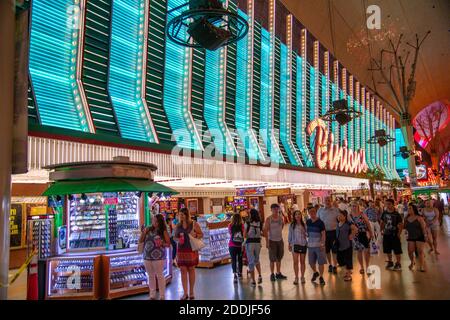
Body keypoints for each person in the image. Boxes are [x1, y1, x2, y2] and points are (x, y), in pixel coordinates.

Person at [174, 207, 204, 300]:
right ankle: (185, 293)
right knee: (183, 270)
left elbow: (201, 234)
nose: (180, 216)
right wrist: (178, 240)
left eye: (182, 215)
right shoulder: (178, 226)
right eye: (180, 214)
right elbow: (174, 238)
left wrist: (195, 235)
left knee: (191, 269)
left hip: (191, 249)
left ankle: (191, 292)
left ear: (186, 215)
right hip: (181, 250)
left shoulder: (194, 224)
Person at [139, 214, 171, 300]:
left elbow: (168, 244)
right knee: (150, 276)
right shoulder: (148, 229)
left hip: (159, 257)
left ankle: (162, 295)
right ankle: (152, 294)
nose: (154, 222)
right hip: (147, 256)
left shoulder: (163, 231)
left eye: (156, 221)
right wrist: (144, 232)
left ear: (160, 222)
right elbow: (141, 240)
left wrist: (162, 244)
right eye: (153, 220)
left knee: (160, 276)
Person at [263, 203, 287, 281]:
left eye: (277, 209)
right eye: (274, 209)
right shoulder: (268, 219)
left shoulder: (281, 218)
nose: (276, 210)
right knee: (272, 259)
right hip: (272, 241)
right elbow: (265, 231)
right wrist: (267, 242)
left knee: (279, 258)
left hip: (280, 240)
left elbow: (282, 226)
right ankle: (272, 274)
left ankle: (278, 273)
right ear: (271, 210)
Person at [349, 201, 373, 275]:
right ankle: (362, 267)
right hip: (355, 235)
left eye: (355, 206)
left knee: (366, 251)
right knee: (359, 251)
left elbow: (367, 223)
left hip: (364, 234)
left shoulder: (362, 214)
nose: (354, 207)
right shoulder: (349, 215)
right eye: (352, 206)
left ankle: (367, 266)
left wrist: (371, 232)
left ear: (358, 206)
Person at [317, 196, 339, 274]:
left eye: (329, 200)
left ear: (331, 201)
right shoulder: (320, 210)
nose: (327, 201)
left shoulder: (336, 210)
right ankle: (330, 264)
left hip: (333, 233)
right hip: (324, 234)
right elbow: (317, 221)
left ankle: (335, 266)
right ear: (324, 201)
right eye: (326, 200)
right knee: (327, 250)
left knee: (334, 250)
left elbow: (340, 219)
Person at [380, 199, 404, 271]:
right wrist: (381, 230)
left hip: (394, 234)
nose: (388, 205)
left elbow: (400, 225)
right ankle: (390, 262)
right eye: (386, 204)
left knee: (397, 250)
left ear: (393, 204)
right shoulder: (384, 213)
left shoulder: (397, 214)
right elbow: (382, 222)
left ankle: (398, 263)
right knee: (387, 249)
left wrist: (399, 234)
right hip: (386, 234)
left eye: (389, 204)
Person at [306, 206, 326, 286]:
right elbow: (307, 232)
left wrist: (322, 243)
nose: (312, 213)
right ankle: (315, 272)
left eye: (314, 211)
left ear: (316, 212)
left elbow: (323, 234)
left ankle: (321, 277)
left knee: (320, 262)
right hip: (310, 245)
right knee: (311, 262)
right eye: (310, 212)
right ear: (309, 213)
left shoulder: (320, 222)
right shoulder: (308, 222)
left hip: (319, 245)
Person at [404, 203, 428, 272]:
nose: (408, 209)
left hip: (420, 236)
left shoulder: (419, 218)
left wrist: (425, 236)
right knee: (410, 252)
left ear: (414, 209)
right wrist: (406, 234)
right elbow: (405, 228)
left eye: (410, 208)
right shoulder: (406, 218)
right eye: (408, 208)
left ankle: (421, 266)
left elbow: (424, 228)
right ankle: (412, 262)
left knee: (420, 251)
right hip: (411, 237)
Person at [336, 210, 358, 281]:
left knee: (348, 259)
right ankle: (348, 270)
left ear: (345, 217)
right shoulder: (338, 223)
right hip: (339, 245)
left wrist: (352, 235)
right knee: (340, 260)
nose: (339, 217)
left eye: (341, 216)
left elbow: (355, 229)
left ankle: (348, 274)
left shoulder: (348, 224)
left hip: (347, 245)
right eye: (338, 215)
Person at [244, 209, 263, 287]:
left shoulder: (247, 223)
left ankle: (253, 280)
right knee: (257, 260)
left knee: (251, 261)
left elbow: (245, 235)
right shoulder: (260, 223)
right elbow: (262, 232)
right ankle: (260, 275)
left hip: (250, 243)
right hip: (258, 243)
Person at [288, 210, 308, 285]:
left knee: (302, 262)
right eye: (296, 214)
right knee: (295, 262)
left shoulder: (304, 225)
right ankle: (296, 277)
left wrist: (305, 233)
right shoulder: (292, 225)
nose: (298, 216)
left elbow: (307, 234)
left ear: (301, 216)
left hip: (303, 244)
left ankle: (302, 277)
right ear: (294, 216)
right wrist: (289, 244)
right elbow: (290, 235)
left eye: (299, 214)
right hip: (295, 244)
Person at [228, 213, 245, 284]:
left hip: (232, 245)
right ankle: (240, 273)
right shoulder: (242, 225)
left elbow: (230, 233)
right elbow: (244, 234)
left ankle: (234, 274)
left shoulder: (230, 225)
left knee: (233, 259)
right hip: (240, 245)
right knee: (240, 259)